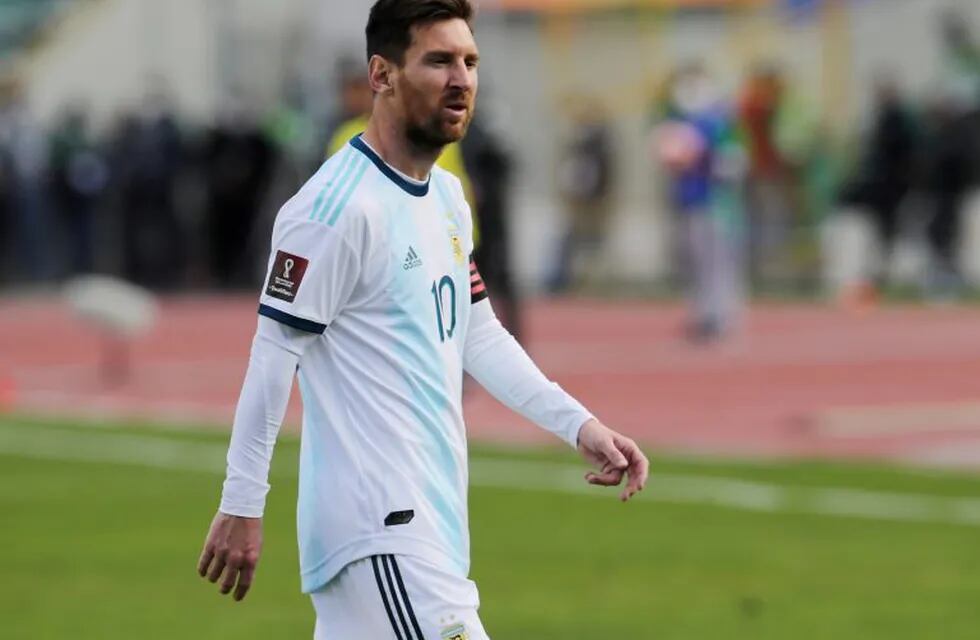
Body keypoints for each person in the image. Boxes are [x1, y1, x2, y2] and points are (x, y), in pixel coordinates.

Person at [196, 2, 649, 639]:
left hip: (428, 528)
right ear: (381, 75)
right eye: (438, 60)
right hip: (381, 530)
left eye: (470, 61)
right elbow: (274, 355)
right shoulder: (333, 208)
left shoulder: (445, 198)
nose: (461, 78)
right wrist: (243, 501)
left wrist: (578, 423)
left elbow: (479, 333)